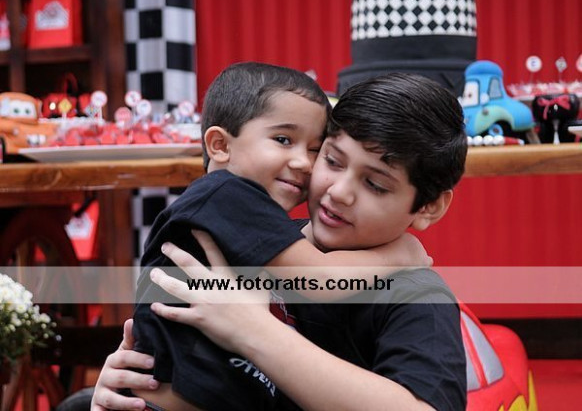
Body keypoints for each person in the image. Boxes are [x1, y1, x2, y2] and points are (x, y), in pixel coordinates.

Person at [91, 73, 468, 411]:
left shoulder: (416, 298)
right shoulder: (249, 229)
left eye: (375, 184)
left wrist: (254, 330)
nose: (339, 192)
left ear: (429, 206)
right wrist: (116, 385)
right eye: (332, 160)